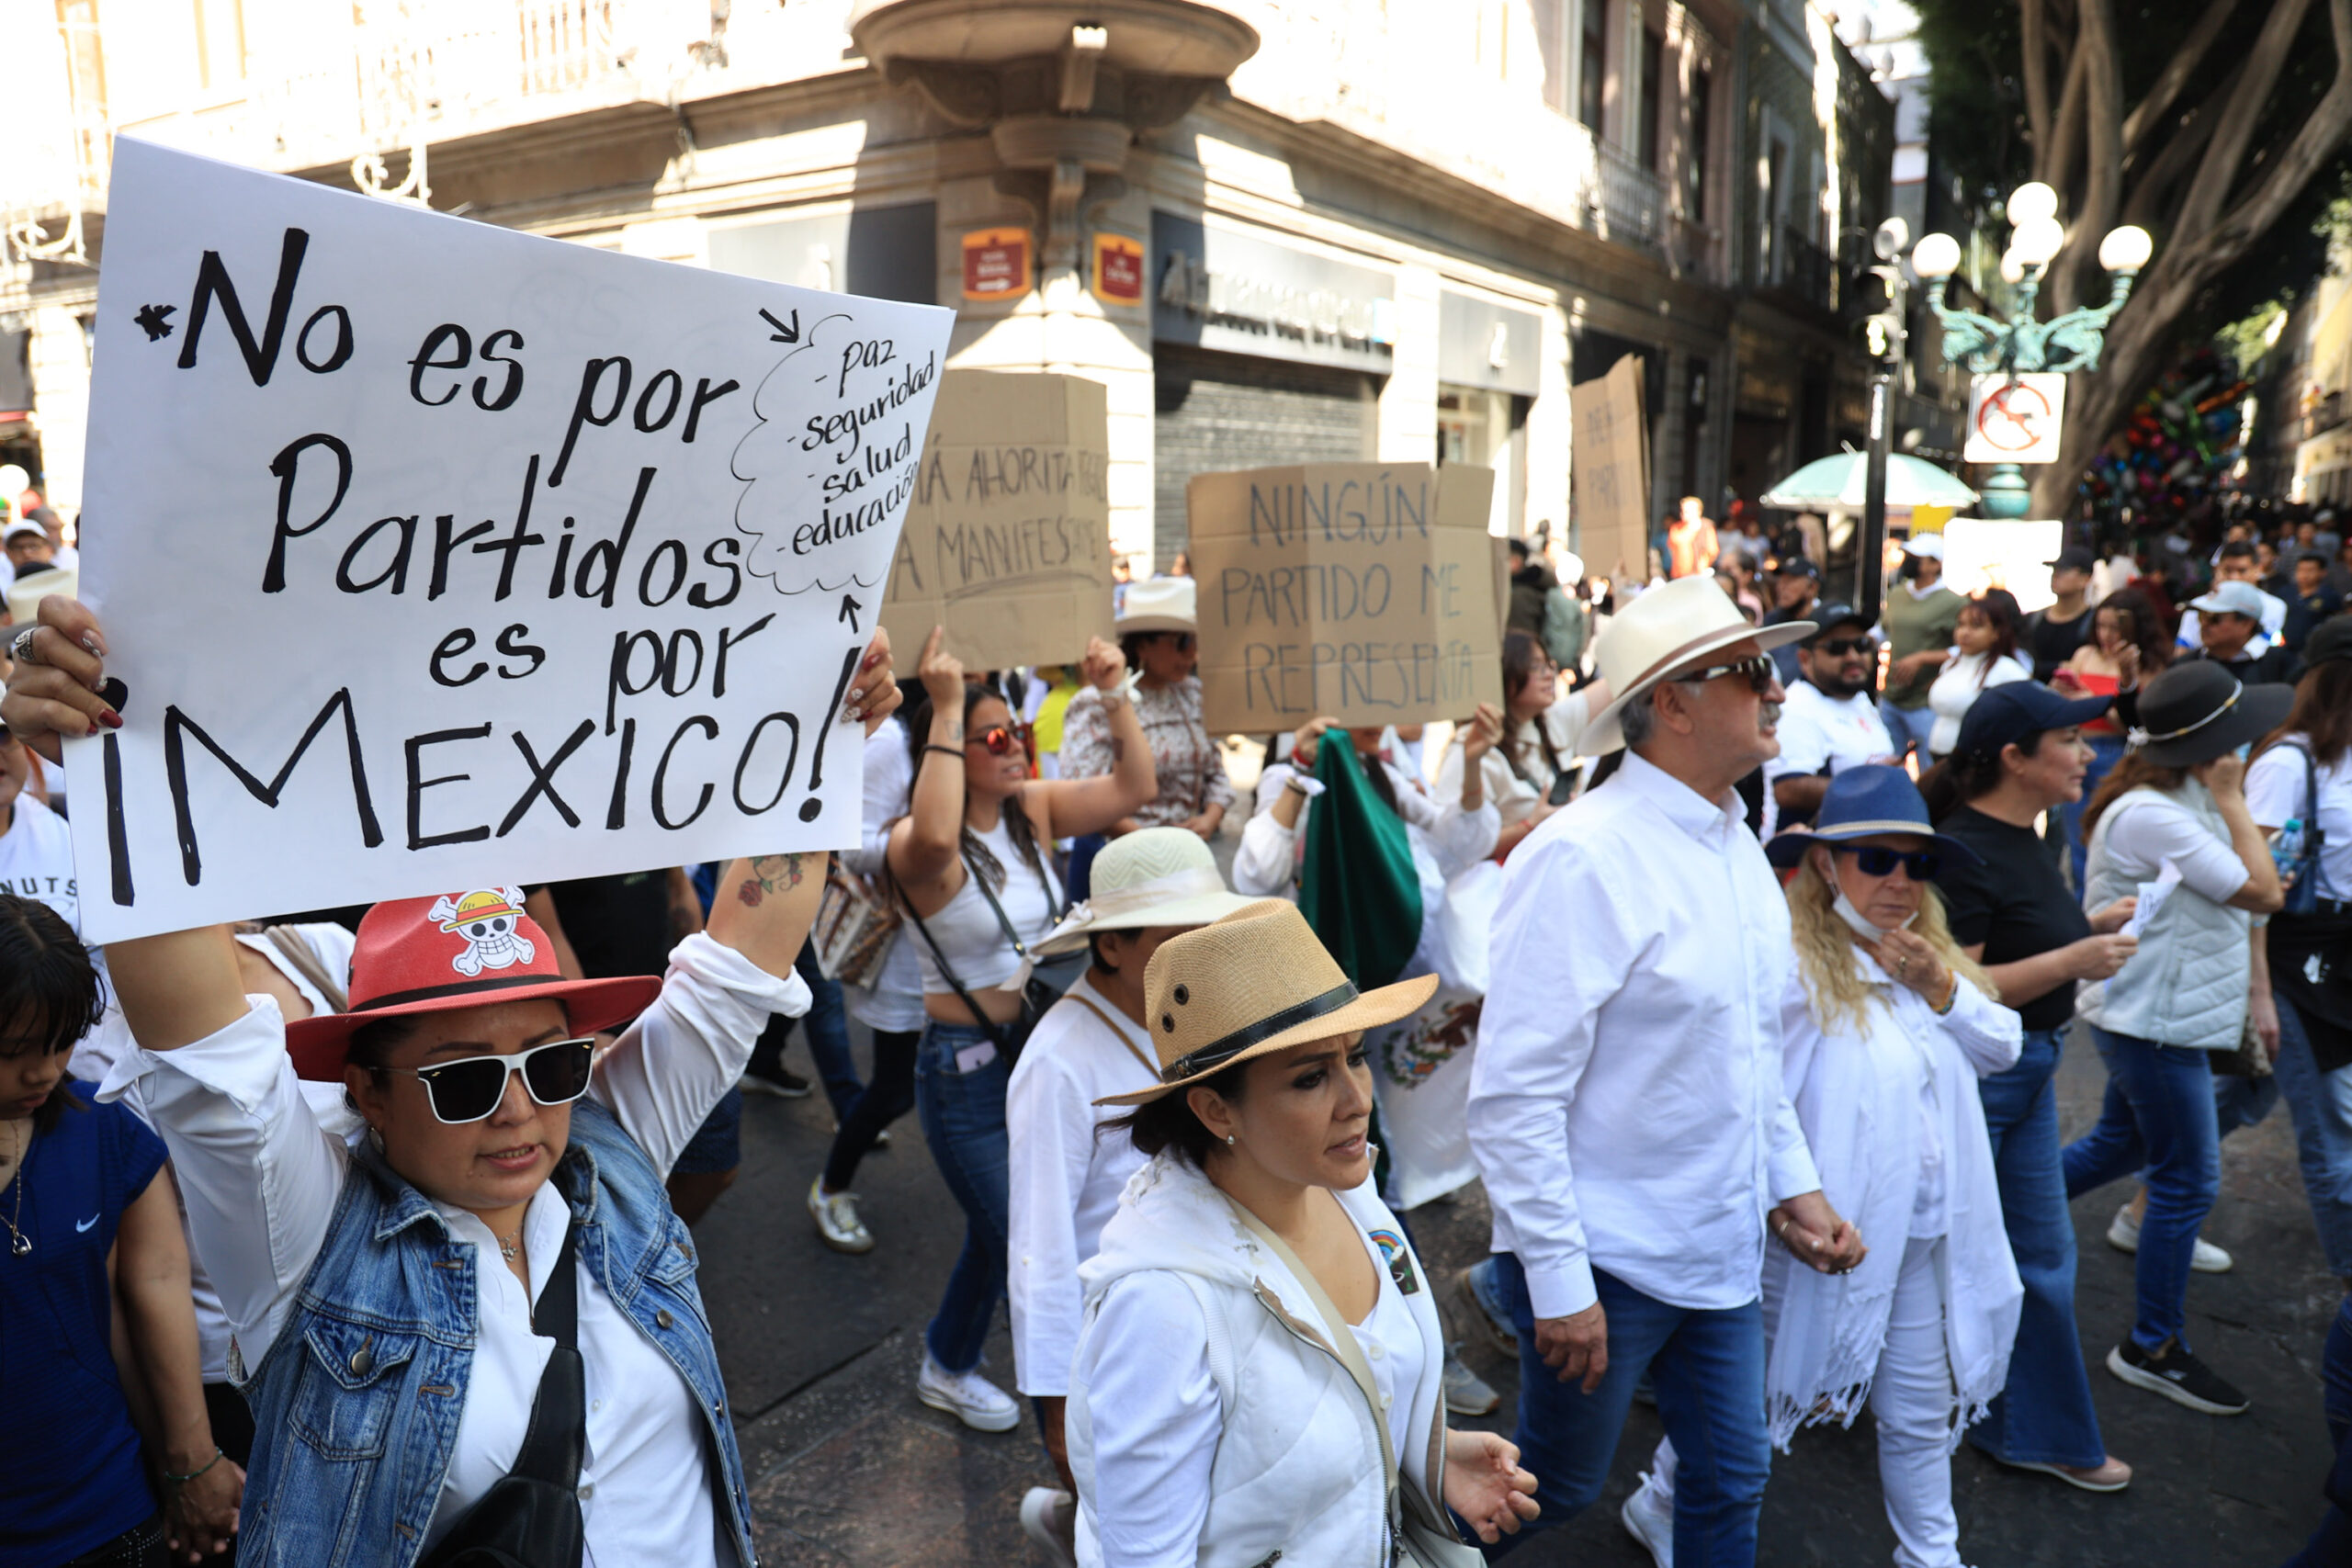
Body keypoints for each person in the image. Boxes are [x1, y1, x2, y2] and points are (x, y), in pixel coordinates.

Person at [0, 593, 904, 1568]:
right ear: (369, 1094)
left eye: (553, 1063)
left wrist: (821, 725)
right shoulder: (309, 1246)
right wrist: (108, 757)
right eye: (461, 1080)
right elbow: (203, 1048)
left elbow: (742, 955)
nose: (521, 1106)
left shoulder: (606, 1148)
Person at [1468, 576, 1864, 1562]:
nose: (1775, 689)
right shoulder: (1581, 857)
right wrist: (1557, 1282)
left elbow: (1748, 1060)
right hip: (1608, 1260)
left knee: (1733, 1480)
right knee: (1546, 1488)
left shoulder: (1735, 843)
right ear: (1673, 704)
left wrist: (1795, 1192)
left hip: (1719, 1254)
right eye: (1749, 670)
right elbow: (1515, 1098)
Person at [1626, 768, 2023, 1568]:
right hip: (1818, 1237)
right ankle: (1658, 1500)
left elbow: (2003, 1047)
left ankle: (1930, 1557)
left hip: (1920, 1236)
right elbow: (1749, 1100)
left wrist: (1941, 984)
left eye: (1918, 864)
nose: (1901, 881)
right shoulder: (1791, 974)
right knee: (1756, 1401)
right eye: (1877, 859)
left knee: (1918, 1410)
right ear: (1824, 867)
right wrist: (1785, 1210)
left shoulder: (1924, 964)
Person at [1068, 899, 1542, 1565]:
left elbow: (1343, 1390)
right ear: (1212, 1107)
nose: (1356, 1099)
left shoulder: (1345, 1188)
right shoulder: (1163, 1307)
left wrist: (1423, 1455)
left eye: (1356, 1056)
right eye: (1311, 1076)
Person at [888, 627, 1155, 1433]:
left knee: (999, 1226)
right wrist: (940, 702)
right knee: (1024, 1237)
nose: (1016, 748)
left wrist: (1113, 690)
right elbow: (935, 836)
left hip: (1031, 1057)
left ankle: (948, 1356)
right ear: (949, 749)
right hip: (961, 1076)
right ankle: (1072, 1402)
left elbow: (1133, 786)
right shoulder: (914, 846)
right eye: (995, 737)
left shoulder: (1032, 812)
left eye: (1021, 733)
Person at [1004, 829, 1253, 1565]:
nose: (1204, 952)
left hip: (1210, 1300)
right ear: (1111, 947)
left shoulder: (1200, 1015)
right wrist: (1055, 1406)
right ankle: (1074, 1523)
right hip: (1115, 1337)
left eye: (1212, 932)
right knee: (1138, 1515)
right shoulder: (1059, 1062)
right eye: (1181, 936)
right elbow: (1038, 1248)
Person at [1925, 682, 2138, 1491]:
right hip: (1988, 1080)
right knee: (1964, 1254)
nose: (2088, 754)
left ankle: (2027, 1427)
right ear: (2014, 758)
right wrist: (2072, 959)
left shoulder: (2024, 831)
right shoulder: (1962, 850)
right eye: (2071, 741)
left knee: (2035, 1259)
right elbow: (1956, 987)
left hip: (2028, 1072)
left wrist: (2088, 928)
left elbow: (2011, 945)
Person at [2072, 661, 2290, 1416]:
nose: (2248, 743)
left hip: (2159, 1014)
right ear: (2206, 746)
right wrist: (2234, 799)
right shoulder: (2155, 810)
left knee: (2121, 1147)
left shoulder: (2180, 795)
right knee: (2186, 1177)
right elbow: (2262, 888)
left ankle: (1997, 1210)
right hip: (2150, 1020)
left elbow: (2256, 884)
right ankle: (2151, 1345)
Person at [2, 895, 244, 1568]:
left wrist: (189, 1462)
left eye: (61, 1041)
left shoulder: (106, 1138)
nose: (43, 1071)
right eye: (14, 1051)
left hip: (108, 1514)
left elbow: (148, 1295)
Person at [2249, 618, 2352, 1308]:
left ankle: (2149, 1203)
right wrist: (2257, 992)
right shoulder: (2288, 763)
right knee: (2333, 1136)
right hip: (2291, 963)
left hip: (2340, 959)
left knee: (2219, 1104)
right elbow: (2249, 889)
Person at [808, 706, 924, 1254]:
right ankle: (831, 1186)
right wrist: (926, 836)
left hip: (969, 945)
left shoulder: (972, 720)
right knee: (895, 1089)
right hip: (906, 948)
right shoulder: (891, 744)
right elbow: (852, 847)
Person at [1059, 577, 1235, 845]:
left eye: (1199, 643)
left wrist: (1211, 817)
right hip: (1125, 857)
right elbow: (1082, 792)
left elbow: (1215, 770)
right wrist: (1147, 842)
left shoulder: (1192, 694)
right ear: (1143, 645)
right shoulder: (1097, 704)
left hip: (1190, 858)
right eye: (1184, 642)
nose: (1194, 655)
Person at [1436, 632, 1610, 862]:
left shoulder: (1550, 722)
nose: (1549, 675)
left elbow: (1617, 685)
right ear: (1507, 676)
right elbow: (1455, 846)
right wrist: (1530, 826)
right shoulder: (1472, 745)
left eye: (1548, 665)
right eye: (1536, 667)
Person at [2055, 587, 2172, 887]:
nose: (2105, 634)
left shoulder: (2146, 665)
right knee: (2077, 839)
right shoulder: (2085, 655)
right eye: (2100, 625)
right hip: (2077, 747)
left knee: (2109, 839)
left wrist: (2092, 700)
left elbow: (2133, 724)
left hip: (2116, 753)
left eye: (2114, 627)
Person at [1762, 603, 1895, 837]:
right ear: (1805, 659)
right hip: (1811, 858)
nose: (1853, 656)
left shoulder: (1859, 698)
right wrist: (1871, 783)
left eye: (1862, 645)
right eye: (1837, 648)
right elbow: (1789, 789)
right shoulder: (1797, 707)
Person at [1880, 535, 1967, 762]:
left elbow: (1966, 649)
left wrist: (1923, 658)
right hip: (1891, 695)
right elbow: (1882, 630)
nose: (1909, 561)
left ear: (1935, 564)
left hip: (1926, 702)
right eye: (1909, 556)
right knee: (1890, 763)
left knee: (1929, 766)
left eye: (1917, 558)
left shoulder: (1953, 602)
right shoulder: (1897, 593)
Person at [1925, 590, 2032, 761]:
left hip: (1977, 763)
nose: (1965, 633)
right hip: (1938, 756)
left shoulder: (2009, 670)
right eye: (1961, 625)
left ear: (1996, 632)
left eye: (1976, 626)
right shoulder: (1950, 665)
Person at [2185, 580, 2303, 686]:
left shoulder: (2282, 664)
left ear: (2246, 624)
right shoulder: (2187, 664)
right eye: (2201, 616)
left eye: (2214, 618)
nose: (2204, 624)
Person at [2178, 540, 2289, 653]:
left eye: (2242, 571)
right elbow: (2182, 651)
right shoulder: (2197, 606)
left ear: (2257, 570)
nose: (2234, 577)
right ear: (2217, 570)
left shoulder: (2275, 607)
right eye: (2228, 570)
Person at [2024, 547, 2098, 681]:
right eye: (2054, 569)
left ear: (2085, 579)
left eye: (2064, 570)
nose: (2055, 575)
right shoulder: (2033, 619)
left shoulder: (2093, 623)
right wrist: (2061, 666)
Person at [1764, 558, 1824, 684]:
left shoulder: (1825, 620)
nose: (1781, 587)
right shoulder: (1773, 620)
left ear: (1812, 588)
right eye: (1780, 581)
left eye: (1790, 581)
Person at [2287, 552, 2345, 653]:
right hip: (2285, 650)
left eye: (2310, 570)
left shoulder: (2330, 597)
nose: (2304, 574)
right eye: (2301, 570)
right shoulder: (2286, 592)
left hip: (2314, 652)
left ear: (2323, 572)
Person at [1668, 495, 1720, 581]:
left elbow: (1712, 551)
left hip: (1699, 575)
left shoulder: (1706, 527)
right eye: (1683, 510)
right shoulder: (1676, 528)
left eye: (1688, 511)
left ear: (1698, 511)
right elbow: (1671, 548)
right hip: (1679, 575)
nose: (1684, 513)